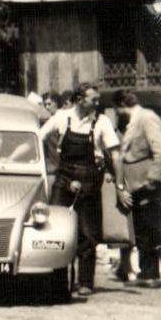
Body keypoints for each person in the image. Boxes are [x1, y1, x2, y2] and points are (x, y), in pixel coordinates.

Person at [40, 81, 123, 299]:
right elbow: (38, 137)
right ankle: (57, 279)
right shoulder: (62, 117)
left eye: (98, 99)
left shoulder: (102, 122)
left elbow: (115, 155)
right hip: (64, 178)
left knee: (88, 233)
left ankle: (85, 282)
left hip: (89, 180)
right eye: (93, 99)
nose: (97, 103)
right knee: (56, 228)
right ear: (79, 100)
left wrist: (120, 185)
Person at [116, 89, 161, 288]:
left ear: (122, 105)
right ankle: (146, 272)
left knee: (150, 228)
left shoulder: (146, 118)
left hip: (147, 183)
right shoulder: (132, 121)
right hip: (136, 185)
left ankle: (151, 273)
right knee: (142, 230)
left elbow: (160, 150)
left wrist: (152, 179)